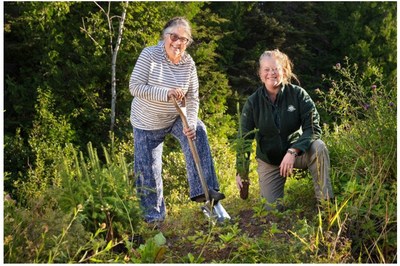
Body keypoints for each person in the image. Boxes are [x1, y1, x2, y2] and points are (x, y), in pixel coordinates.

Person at [129, 17, 225, 224]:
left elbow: (193, 97)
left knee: (198, 129)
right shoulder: (150, 55)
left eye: (185, 39)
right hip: (146, 122)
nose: (178, 43)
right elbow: (135, 87)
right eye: (174, 36)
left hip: (174, 117)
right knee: (148, 171)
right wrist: (166, 93)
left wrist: (189, 123)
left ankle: (205, 192)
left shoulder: (188, 63)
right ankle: (153, 219)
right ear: (165, 36)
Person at [235, 49, 334, 211]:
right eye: (266, 69)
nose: (271, 73)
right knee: (271, 209)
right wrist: (241, 170)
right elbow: (244, 137)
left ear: (284, 71)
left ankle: (326, 204)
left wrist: (293, 150)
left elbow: (313, 128)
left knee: (319, 146)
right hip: (270, 160)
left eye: (276, 69)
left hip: (297, 155)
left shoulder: (298, 94)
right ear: (260, 73)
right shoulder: (253, 102)